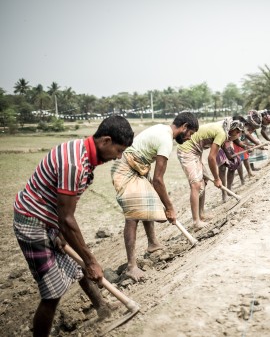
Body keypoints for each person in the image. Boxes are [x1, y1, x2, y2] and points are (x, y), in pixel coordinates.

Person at [13, 115, 134, 337]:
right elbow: (67, 217)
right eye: (118, 151)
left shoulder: (85, 155)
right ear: (105, 141)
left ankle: (104, 308)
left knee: (77, 264)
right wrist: (92, 260)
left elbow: (66, 210)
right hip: (32, 220)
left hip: (51, 218)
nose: (119, 157)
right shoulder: (75, 163)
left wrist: (62, 233)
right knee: (52, 292)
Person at [110, 112, 199, 282]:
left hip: (138, 168)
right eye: (190, 133)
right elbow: (158, 180)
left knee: (148, 203)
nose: (189, 138)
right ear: (185, 127)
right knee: (133, 215)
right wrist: (170, 207)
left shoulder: (162, 129)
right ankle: (131, 267)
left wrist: (166, 205)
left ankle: (153, 244)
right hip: (125, 168)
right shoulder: (166, 141)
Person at [177, 117, 244, 229]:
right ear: (235, 131)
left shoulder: (224, 129)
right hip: (186, 150)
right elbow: (211, 158)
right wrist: (217, 179)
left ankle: (202, 214)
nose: (238, 137)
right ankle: (196, 222)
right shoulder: (222, 133)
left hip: (195, 151)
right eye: (239, 134)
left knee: (205, 180)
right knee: (196, 184)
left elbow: (224, 151)